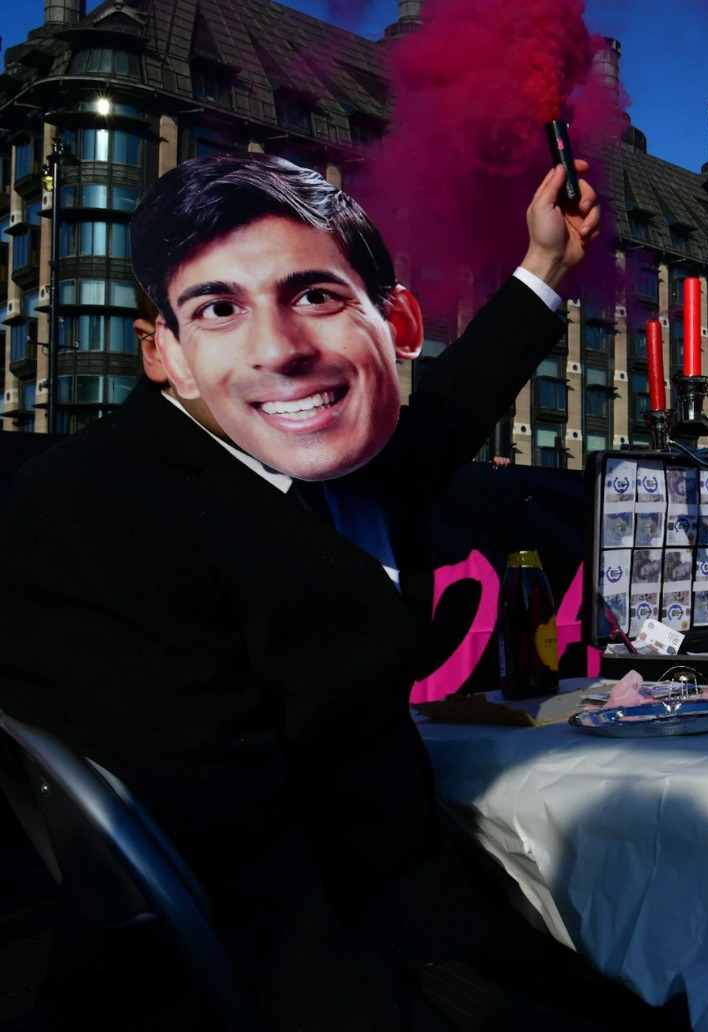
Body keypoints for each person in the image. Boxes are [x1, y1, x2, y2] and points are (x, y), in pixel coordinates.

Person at [0, 153, 641, 1030]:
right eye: (219, 308)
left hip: (418, 914)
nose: (281, 351)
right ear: (165, 357)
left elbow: (452, 410)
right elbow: (236, 870)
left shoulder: (340, 459)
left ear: (393, 324)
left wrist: (547, 268)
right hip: (285, 981)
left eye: (316, 296)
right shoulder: (95, 509)